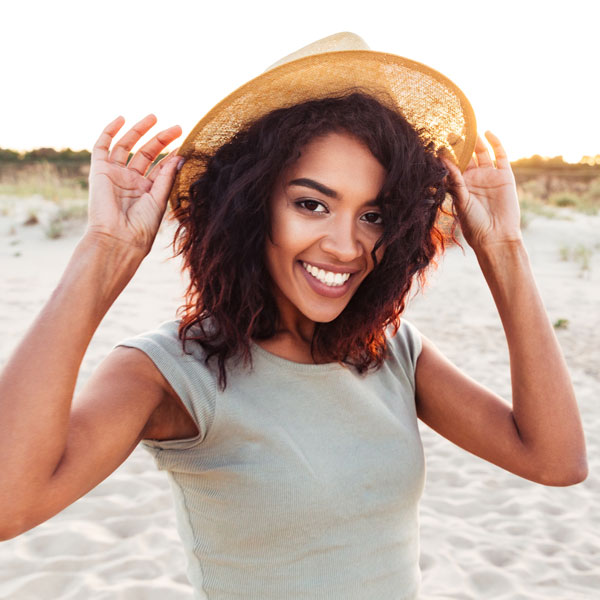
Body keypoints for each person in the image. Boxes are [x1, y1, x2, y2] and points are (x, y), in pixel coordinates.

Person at [0, 33, 587, 599]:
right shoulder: (169, 374)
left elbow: (554, 460)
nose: (345, 245)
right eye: (312, 204)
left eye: (374, 214)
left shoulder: (390, 352)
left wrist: (504, 252)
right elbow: (9, 504)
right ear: (252, 206)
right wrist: (105, 251)